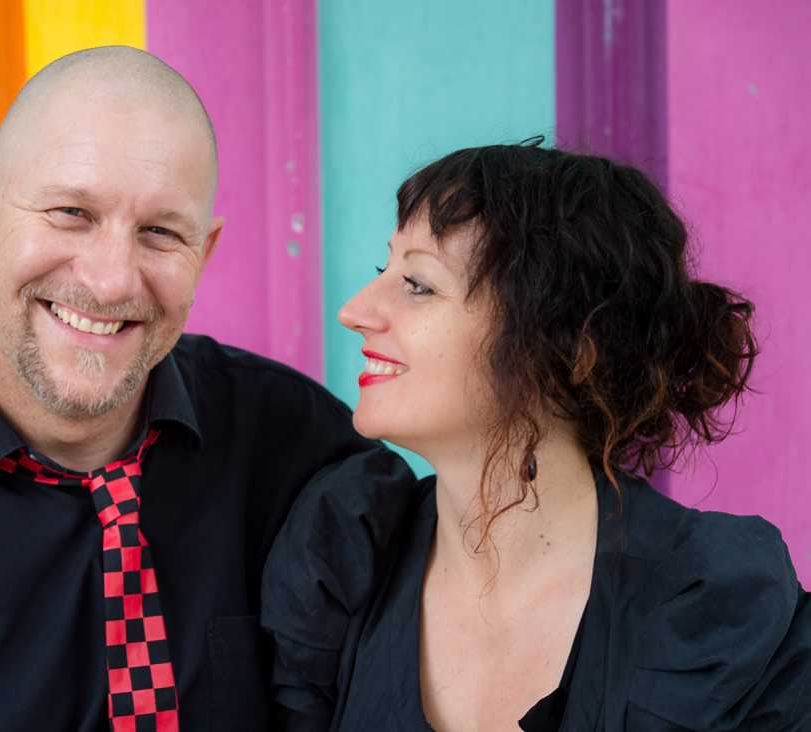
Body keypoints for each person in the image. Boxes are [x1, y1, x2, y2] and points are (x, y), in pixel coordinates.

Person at [0, 46, 412, 732]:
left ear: (202, 256)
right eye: (70, 212)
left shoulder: (303, 450)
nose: (112, 279)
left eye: (159, 232)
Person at [262, 141, 811, 730]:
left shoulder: (717, 614)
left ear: (569, 347)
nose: (355, 310)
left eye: (418, 283)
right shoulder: (345, 561)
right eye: (384, 270)